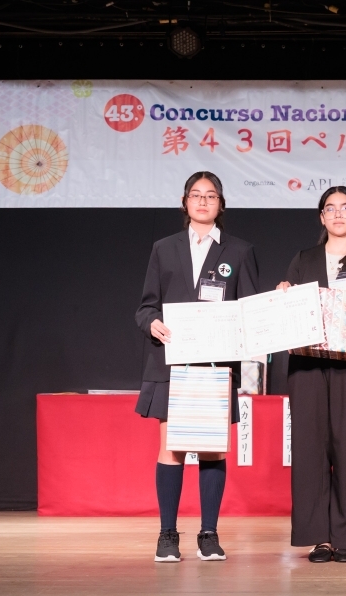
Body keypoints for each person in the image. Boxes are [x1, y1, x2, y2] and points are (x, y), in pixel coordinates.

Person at [135, 171, 259, 562]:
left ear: (221, 204)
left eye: (211, 196)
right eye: (195, 195)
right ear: (185, 202)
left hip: (214, 365)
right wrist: (152, 323)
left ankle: (209, 534)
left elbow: (251, 310)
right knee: (171, 449)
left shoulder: (239, 251)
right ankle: (167, 534)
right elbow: (146, 306)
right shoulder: (164, 247)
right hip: (170, 363)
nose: (203, 201)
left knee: (212, 451)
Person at [276, 186, 346, 563]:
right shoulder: (303, 259)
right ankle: (317, 538)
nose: (338, 214)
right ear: (321, 217)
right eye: (330, 208)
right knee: (309, 451)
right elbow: (286, 314)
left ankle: (342, 538)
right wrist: (283, 297)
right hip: (307, 368)